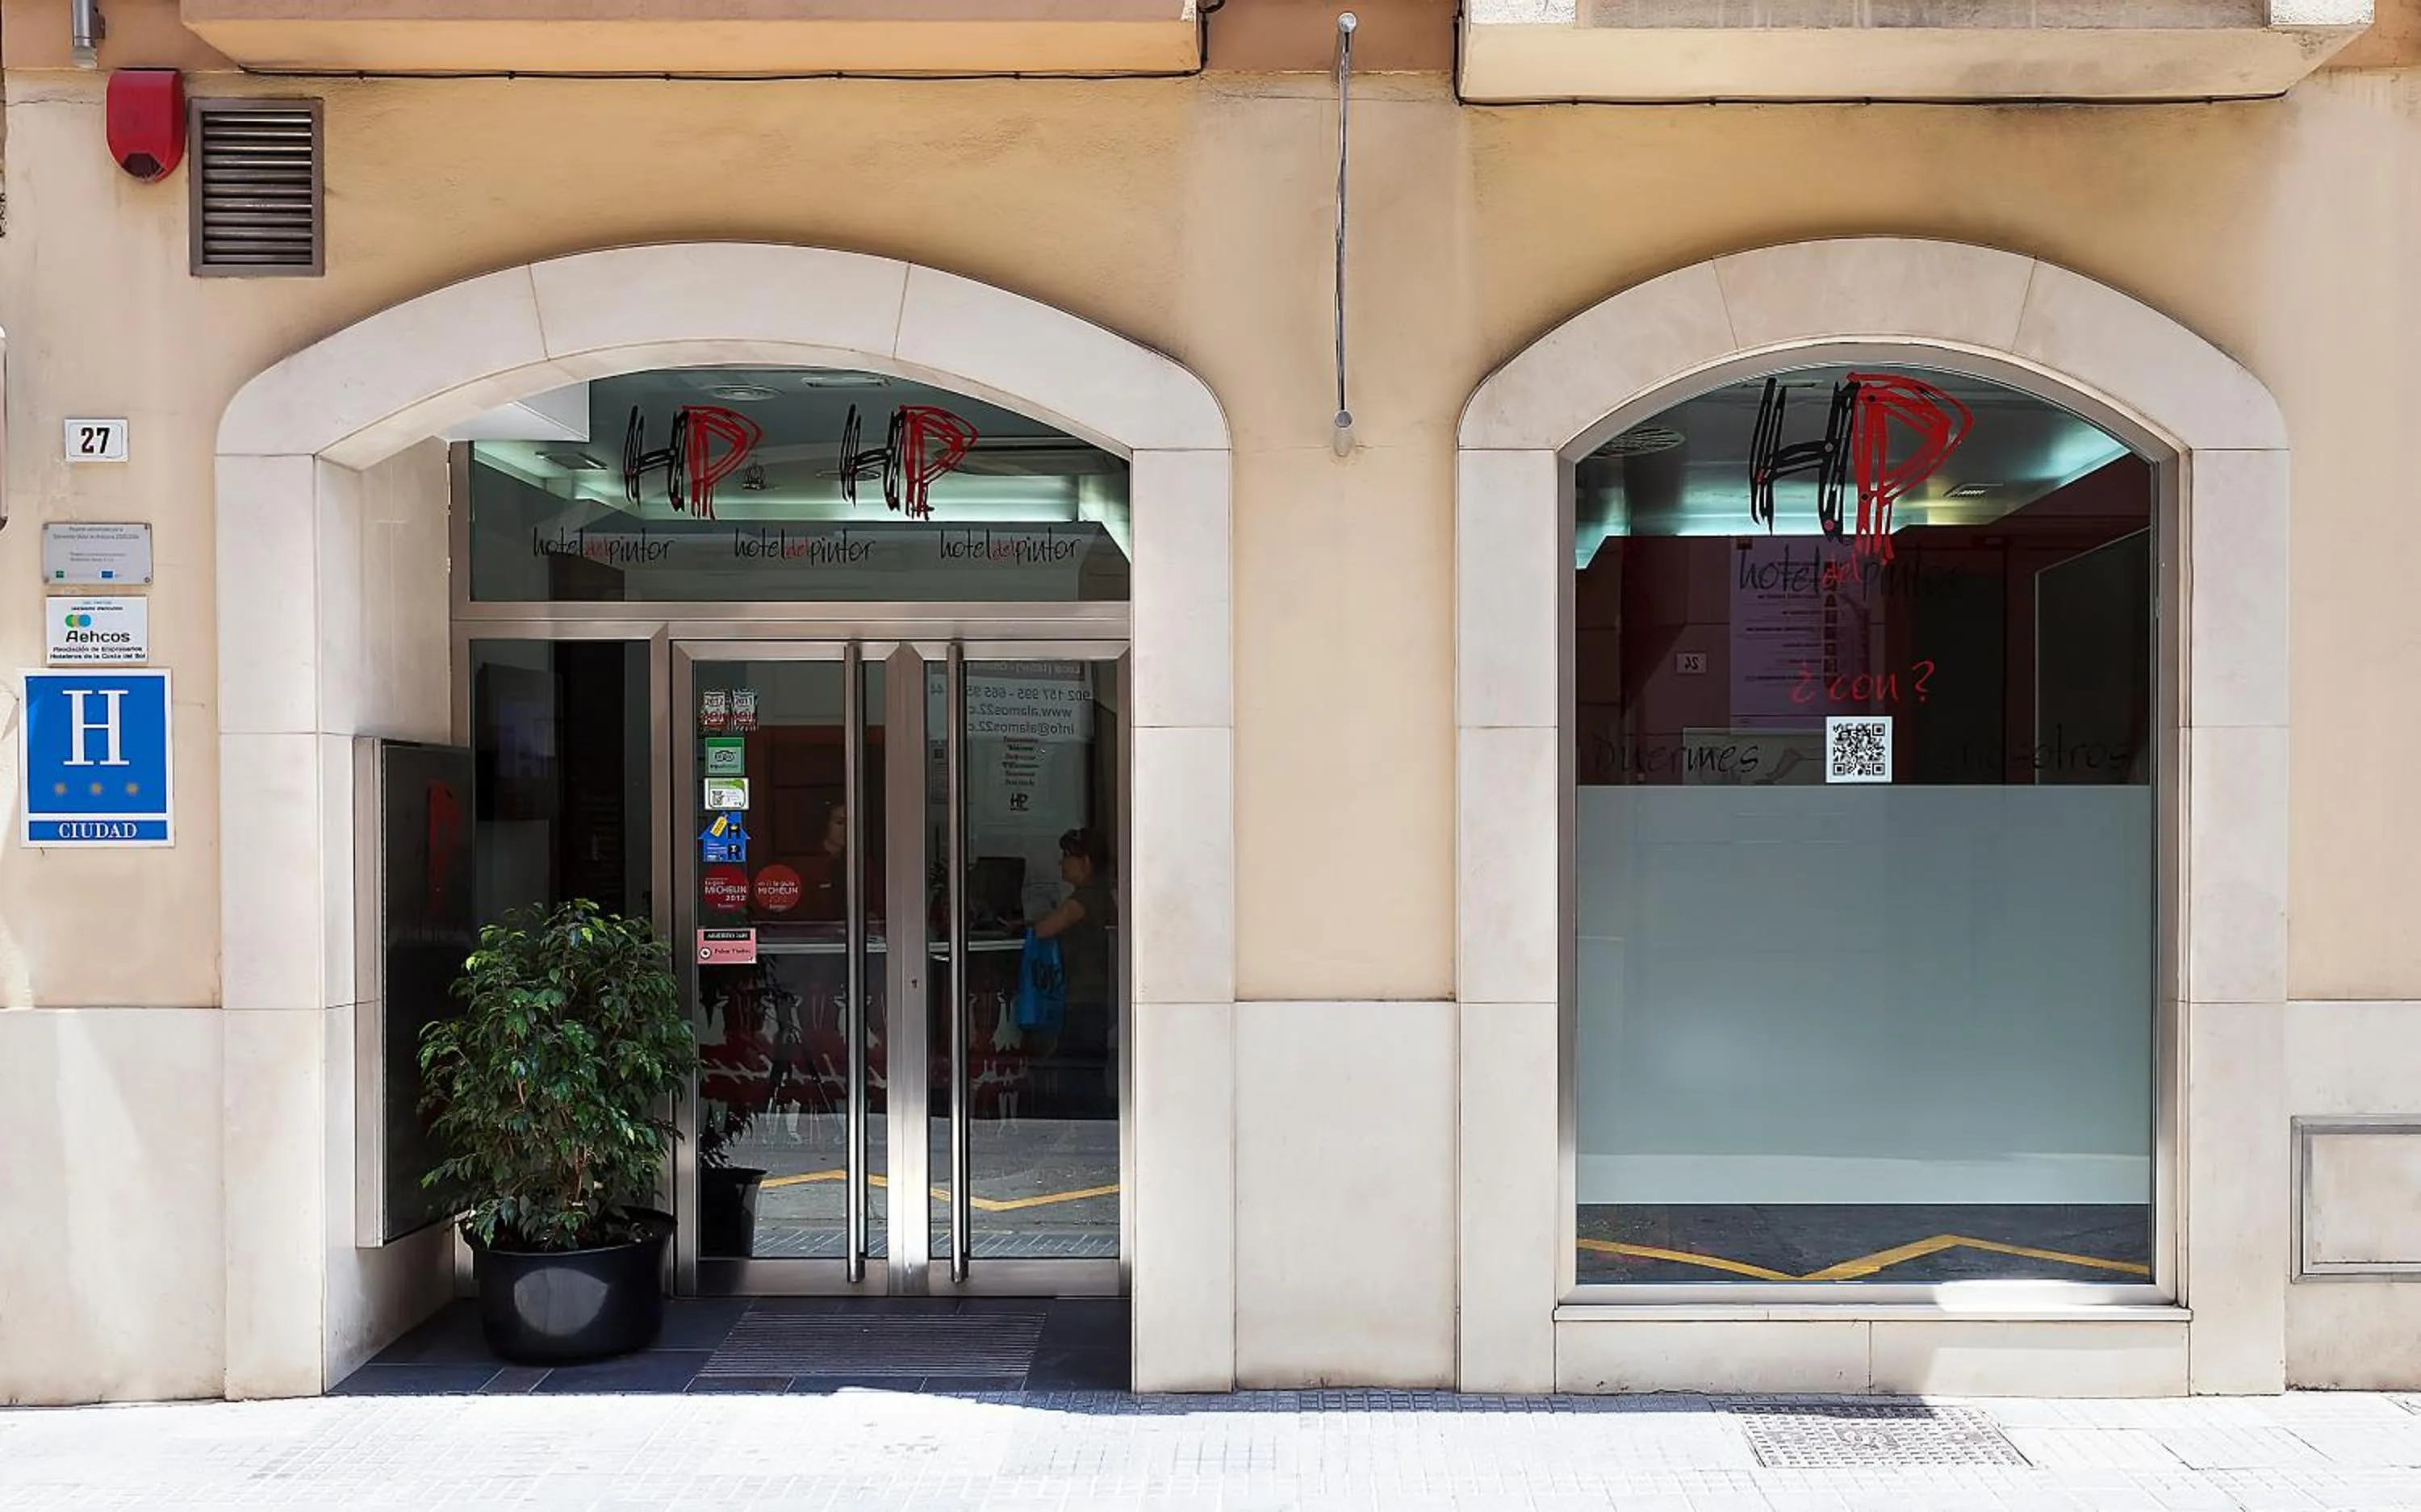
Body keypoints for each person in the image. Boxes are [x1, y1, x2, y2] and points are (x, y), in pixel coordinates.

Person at [1027, 828, 1117, 1117]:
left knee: (1078, 1071)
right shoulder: (1099, 894)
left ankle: (1084, 1126)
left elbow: (1045, 929)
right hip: (1090, 998)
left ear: (1086, 862)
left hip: (1085, 1000)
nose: (1061, 863)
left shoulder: (1085, 898)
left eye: (1067, 856)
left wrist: (1024, 926)